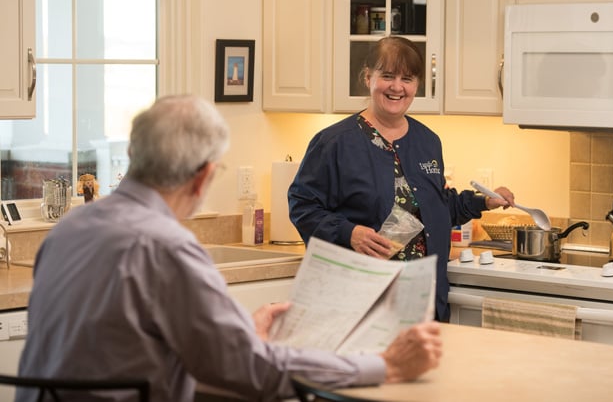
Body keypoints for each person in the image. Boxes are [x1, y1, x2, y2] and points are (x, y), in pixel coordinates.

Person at [17, 95, 442, 402]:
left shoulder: (69, 228)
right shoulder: (167, 248)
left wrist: (242, 333)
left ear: (133, 154)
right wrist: (386, 366)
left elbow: (127, 342)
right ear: (203, 177)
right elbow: (254, 373)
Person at [288, 36, 516, 323]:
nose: (397, 87)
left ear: (416, 85)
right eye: (387, 76)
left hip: (424, 299)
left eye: (407, 78)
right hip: (361, 301)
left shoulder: (427, 141)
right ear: (368, 77)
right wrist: (349, 232)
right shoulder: (334, 143)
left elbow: (433, 207)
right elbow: (302, 206)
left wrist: (483, 201)